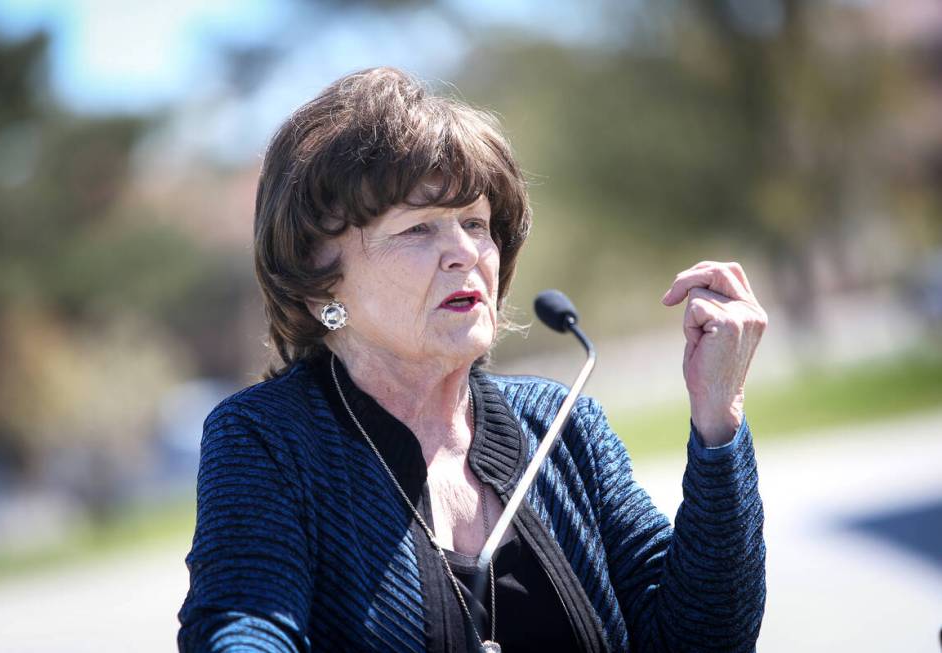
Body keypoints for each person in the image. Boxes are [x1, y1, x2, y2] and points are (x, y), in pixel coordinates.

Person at [177, 66, 768, 653]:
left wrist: (719, 424)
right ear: (318, 281)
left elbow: (701, 638)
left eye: (475, 223)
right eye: (417, 230)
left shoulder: (563, 425)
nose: (465, 252)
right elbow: (242, 628)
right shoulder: (265, 440)